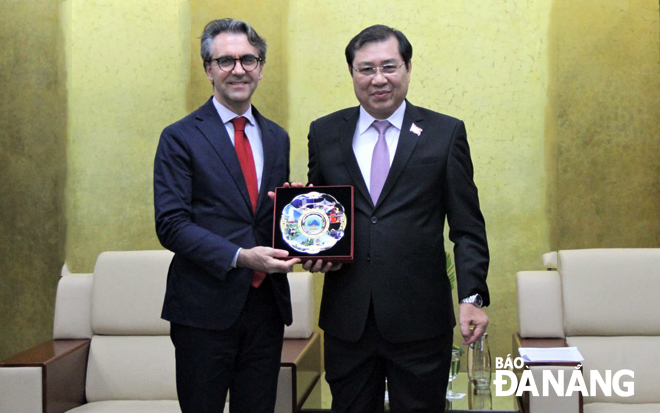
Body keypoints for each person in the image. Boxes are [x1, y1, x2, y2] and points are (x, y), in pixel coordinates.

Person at [305, 24, 490, 412]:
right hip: (348, 320)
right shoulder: (324, 133)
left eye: (389, 67)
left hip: (421, 319)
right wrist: (312, 248)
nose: (378, 79)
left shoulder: (444, 133)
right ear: (353, 74)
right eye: (366, 69)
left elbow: (467, 228)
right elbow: (322, 216)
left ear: (407, 68)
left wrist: (472, 296)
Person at [153, 18, 299, 413]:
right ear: (208, 70)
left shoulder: (276, 137)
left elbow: (265, 215)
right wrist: (240, 256)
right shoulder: (180, 137)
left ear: (261, 67)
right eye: (226, 61)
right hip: (203, 309)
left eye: (248, 59)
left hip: (266, 308)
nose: (238, 69)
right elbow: (171, 225)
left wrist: (299, 225)